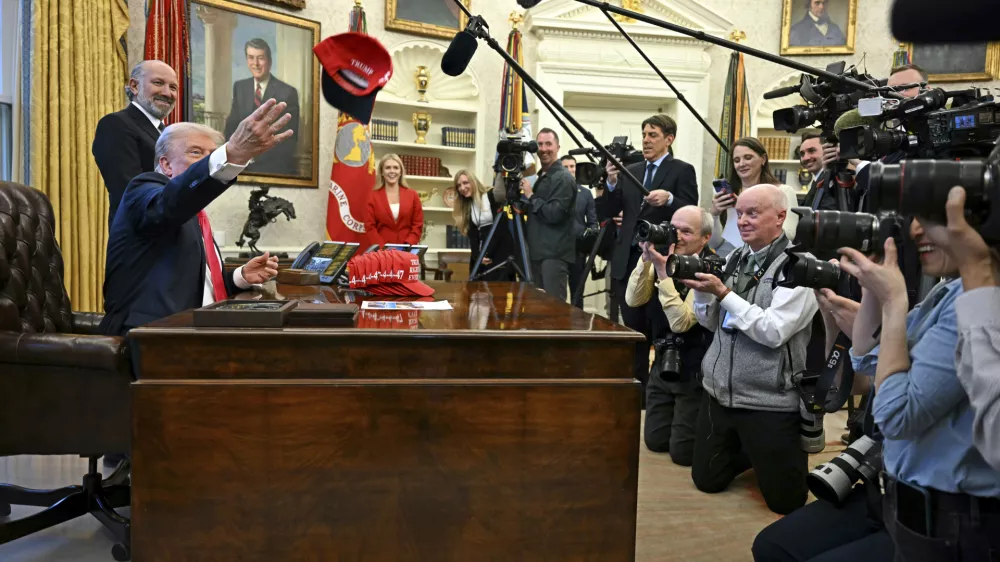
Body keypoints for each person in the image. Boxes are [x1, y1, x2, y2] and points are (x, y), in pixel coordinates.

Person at [837, 211, 1000, 560]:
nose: (914, 229)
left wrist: (895, 303)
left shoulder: (977, 300)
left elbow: (894, 416)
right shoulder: (949, 291)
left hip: (955, 518)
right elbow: (867, 355)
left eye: (934, 215)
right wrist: (871, 289)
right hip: (910, 502)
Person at [100, 99, 291, 337]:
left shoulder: (193, 213)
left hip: (197, 330)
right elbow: (169, 204)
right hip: (150, 337)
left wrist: (239, 277)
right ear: (165, 165)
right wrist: (231, 154)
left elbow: (196, 287)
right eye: (196, 152)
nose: (205, 161)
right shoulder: (143, 190)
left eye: (211, 155)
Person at [682, 184, 817, 515]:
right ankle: (748, 448)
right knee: (706, 480)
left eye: (752, 213)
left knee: (786, 503)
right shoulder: (734, 258)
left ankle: (762, 448)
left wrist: (724, 293)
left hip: (768, 399)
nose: (742, 221)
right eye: (739, 213)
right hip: (719, 392)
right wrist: (702, 292)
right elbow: (711, 323)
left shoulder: (800, 266)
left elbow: (773, 332)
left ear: (780, 217)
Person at [598, 114, 699, 391]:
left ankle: (657, 389)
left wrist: (670, 199)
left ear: (669, 139)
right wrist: (610, 182)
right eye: (643, 134)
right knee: (632, 332)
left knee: (658, 328)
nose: (646, 140)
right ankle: (636, 391)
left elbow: (691, 212)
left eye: (653, 135)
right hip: (627, 261)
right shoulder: (630, 170)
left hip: (661, 262)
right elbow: (607, 211)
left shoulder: (682, 170)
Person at [625, 205, 714, 465]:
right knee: (655, 441)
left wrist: (663, 275)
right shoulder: (664, 257)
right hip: (664, 361)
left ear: (705, 238)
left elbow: (682, 323)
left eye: (687, 231)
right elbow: (633, 299)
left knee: (683, 455)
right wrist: (645, 260)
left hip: (694, 368)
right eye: (674, 229)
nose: (677, 237)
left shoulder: (710, 267)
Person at [926, 186, 1000, 471]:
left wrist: (977, 267)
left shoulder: (968, 292)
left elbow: (896, 413)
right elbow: (865, 365)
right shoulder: (945, 293)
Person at [93, 60, 177, 229]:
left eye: (173, 87)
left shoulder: (168, 133)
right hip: (141, 239)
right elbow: (130, 192)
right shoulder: (115, 124)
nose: (167, 93)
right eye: (158, 83)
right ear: (134, 86)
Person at [710, 137, 800, 257]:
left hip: (767, 258)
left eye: (748, 158)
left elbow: (789, 234)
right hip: (728, 258)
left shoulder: (784, 191)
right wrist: (714, 215)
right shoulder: (727, 193)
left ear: (763, 159)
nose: (741, 164)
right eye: (736, 160)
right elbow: (713, 244)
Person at [223, 38, 300, 176]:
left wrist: (252, 157)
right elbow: (232, 125)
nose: (256, 64)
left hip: (272, 168)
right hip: (239, 165)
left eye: (260, 58)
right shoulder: (240, 87)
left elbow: (288, 138)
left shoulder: (287, 92)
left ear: (269, 61)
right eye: (251, 58)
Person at [521, 129, 577, 300]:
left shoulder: (563, 178)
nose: (543, 149)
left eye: (548, 144)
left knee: (554, 310)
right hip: (538, 253)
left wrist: (531, 196)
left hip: (554, 255)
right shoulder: (541, 177)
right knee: (537, 310)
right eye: (540, 144)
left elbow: (554, 214)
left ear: (558, 147)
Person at [452, 169, 513, 281]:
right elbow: (473, 235)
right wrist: (478, 256)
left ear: (473, 181)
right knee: (476, 292)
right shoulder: (468, 205)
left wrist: (487, 253)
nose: (462, 188)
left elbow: (501, 227)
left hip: (499, 250)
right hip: (481, 254)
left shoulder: (490, 195)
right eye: (459, 186)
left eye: (465, 183)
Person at [561, 155, 598, 307]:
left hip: (578, 250)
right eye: (566, 167)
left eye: (572, 166)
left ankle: (578, 327)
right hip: (557, 249)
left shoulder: (586, 193)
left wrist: (589, 240)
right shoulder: (552, 190)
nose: (570, 170)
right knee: (556, 292)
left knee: (577, 291)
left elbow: (592, 222)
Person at [365, 154, 424, 246]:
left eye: (396, 168)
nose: (392, 171)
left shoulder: (413, 195)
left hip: (407, 250)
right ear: (382, 172)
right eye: (388, 168)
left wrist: (407, 245)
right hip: (382, 252)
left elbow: (418, 225)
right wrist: (382, 248)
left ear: (400, 172)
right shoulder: (373, 196)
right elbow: (370, 227)